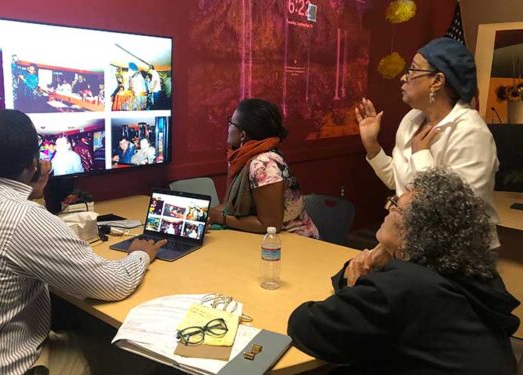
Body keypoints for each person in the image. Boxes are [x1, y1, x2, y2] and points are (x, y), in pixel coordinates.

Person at [0, 109, 167, 375]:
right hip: (5, 367)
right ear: (33, 163)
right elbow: (113, 285)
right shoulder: (21, 218)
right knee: (141, 358)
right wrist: (139, 254)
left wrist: (30, 187)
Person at [288, 168, 519, 375]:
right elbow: (354, 282)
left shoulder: (403, 286)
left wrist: (359, 285)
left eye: (395, 206)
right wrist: (376, 263)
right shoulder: (470, 274)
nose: (386, 209)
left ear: (413, 232)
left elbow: (306, 326)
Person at [356, 37, 500, 248]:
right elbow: (400, 185)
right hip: (414, 242)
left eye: (413, 70)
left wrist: (421, 155)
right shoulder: (412, 119)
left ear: (437, 81)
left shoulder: (471, 133)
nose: (403, 78)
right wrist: (372, 145)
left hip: (459, 253)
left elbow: (456, 210)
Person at [209, 98, 318, 238]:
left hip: (293, 241)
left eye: (231, 122)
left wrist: (220, 218)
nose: (228, 127)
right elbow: (229, 206)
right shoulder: (243, 158)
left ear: (243, 135)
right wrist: (204, 214)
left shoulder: (264, 164)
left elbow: (270, 225)